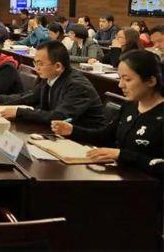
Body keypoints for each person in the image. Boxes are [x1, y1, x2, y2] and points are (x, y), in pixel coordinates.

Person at [51, 50, 163, 178]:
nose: (120, 85)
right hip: (120, 177)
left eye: (127, 79)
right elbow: (104, 136)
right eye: (120, 78)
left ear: (151, 81)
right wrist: (72, 130)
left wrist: (121, 155)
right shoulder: (129, 106)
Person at [0, 41, 105, 127]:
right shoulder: (50, 77)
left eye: (40, 64)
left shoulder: (77, 85)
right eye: (35, 63)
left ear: (58, 66)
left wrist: (19, 112)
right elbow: (30, 96)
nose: (36, 68)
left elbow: (60, 116)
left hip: (85, 142)